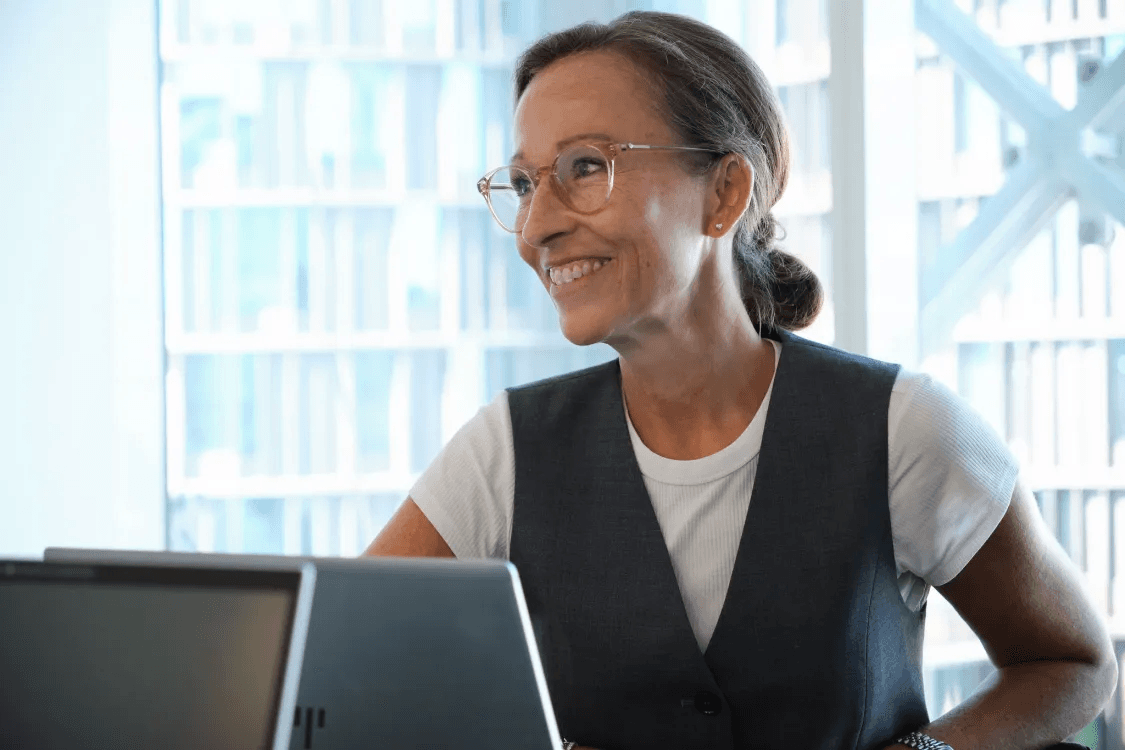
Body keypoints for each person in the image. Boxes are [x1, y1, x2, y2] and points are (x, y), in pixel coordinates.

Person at [365, 11, 1116, 750]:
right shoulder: (506, 451)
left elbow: (1068, 662)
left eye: (584, 167)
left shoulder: (900, 428)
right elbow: (341, 662)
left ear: (723, 192)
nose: (535, 227)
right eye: (525, 183)